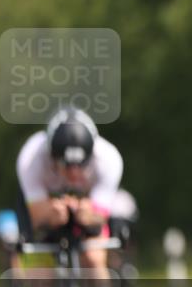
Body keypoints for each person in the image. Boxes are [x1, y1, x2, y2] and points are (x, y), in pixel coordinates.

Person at [15, 107, 123, 272]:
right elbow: (37, 219)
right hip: (47, 214)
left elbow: (100, 217)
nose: (74, 174)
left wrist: (89, 215)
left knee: (94, 260)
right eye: (66, 166)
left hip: (86, 216)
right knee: (40, 276)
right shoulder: (31, 158)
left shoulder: (109, 159)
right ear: (51, 156)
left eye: (81, 165)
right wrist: (53, 214)